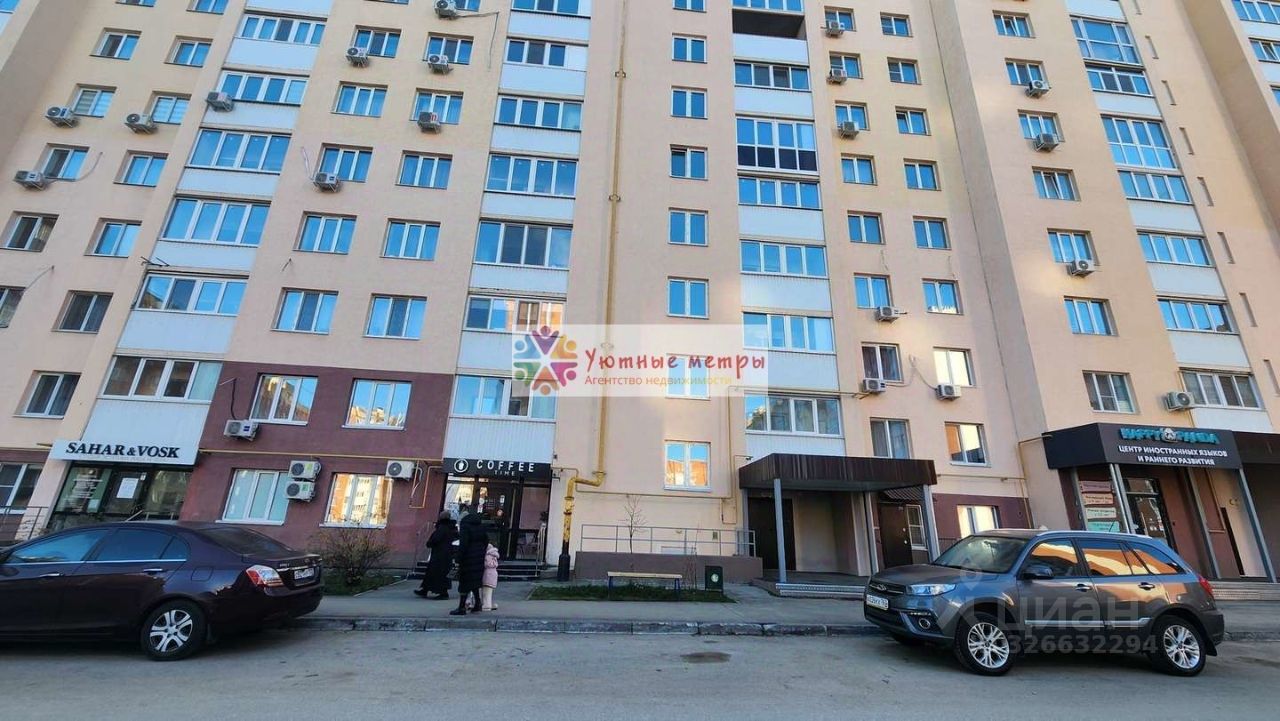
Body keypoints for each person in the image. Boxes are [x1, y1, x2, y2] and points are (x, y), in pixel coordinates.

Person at [414, 511, 458, 599]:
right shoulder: (451, 527)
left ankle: (442, 593)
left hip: (439, 554)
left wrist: (430, 543)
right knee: (439, 573)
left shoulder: (442, 527)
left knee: (436, 573)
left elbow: (436, 539)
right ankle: (425, 590)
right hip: (446, 554)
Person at [450, 511, 487, 615]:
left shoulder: (465, 527)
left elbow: (463, 544)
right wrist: (481, 552)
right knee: (475, 582)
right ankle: (477, 603)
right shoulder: (481, 527)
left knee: (464, 582)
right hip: (479, 558)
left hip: (468, 558)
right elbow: (486, 541)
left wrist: (458, 558)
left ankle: (462, 607)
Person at [481, 543, 500, 611]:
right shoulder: (494, 555)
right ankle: (488, 603)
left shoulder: (487, 556)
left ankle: (486, 605)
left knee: (486, 592)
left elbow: (487, 564)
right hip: (493, 575)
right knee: (489, 591)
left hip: (487, 575)